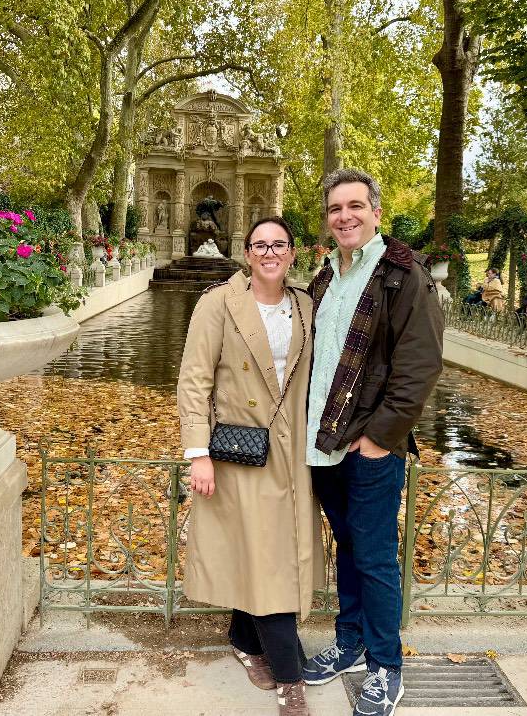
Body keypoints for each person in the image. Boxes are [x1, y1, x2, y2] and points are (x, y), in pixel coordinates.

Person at [302, 169, 444, 716]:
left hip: (370, 447)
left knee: (376, 557)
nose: (345, 216)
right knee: (349, 548)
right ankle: (351, 643)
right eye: (336, 209)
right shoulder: (327, 277)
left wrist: (380, 439)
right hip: (324, 444)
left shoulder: (403, 276)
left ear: (376, 213)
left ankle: (386, 666)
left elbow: (419, 367)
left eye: (355, 206)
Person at [177, 216, 322, 716]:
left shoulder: (305, 305)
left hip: (293, 453)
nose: (269, 252)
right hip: (240, 452)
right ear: (246, 252)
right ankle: (290, 679)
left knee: (265, 551)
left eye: (279, 244)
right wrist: (198, 453)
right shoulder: (217, 303)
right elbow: (194, 380)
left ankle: (243, 639)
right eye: (260, 244)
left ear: (293, 252)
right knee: (266, 556)